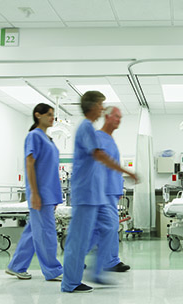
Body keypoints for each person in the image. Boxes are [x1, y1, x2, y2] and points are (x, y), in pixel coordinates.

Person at [61, 91, 137, 293]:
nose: (102, 108)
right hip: (86, 193)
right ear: (93, 106)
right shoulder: (87, 128)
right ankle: (70, 282)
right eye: (101, 104)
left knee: (107, 227)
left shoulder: (91, 129)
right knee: (78, 239)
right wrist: (127, 171)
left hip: (95, 194)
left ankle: (96, 272)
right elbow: (99, 156)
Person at [6, 103, 63, 281]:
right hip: (41, 194)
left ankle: (16, 266)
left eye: (53, 115)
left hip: (49, 194)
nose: (52, 118)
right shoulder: (34, 136)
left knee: (33, 232)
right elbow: (29, 164)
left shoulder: (48, 139)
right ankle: (53, 271)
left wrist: (54, 197)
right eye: (49, 115)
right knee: (46, 234)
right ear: (38, 115)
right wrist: (35, 193)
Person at [89, 106, 130, 276]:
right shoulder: (98, 137)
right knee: (110, 225)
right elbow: (96, 164)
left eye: (120, 117)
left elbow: (114, 168)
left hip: (111, 192)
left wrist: (119, 186)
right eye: (116, 116)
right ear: (106, 117)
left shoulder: (110, 139)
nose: (119, 119)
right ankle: (111, 261)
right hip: (101, 191)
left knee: (100, 228)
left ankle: (78, 258)